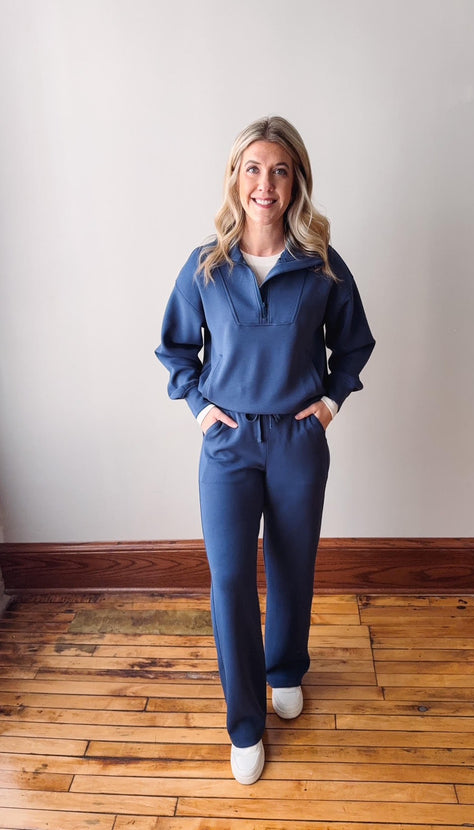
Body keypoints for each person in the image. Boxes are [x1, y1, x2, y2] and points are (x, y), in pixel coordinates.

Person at [156, 116, 375, 785]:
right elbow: (174, 348)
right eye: (253, 168)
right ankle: (244, 722)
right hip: (227, 445)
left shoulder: (321, 264)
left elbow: (354, 343)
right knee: (228, 582)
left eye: (279, 170)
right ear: (235, 179)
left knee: (291, 567)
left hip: (296, 442)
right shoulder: (205, 267)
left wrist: (329, 406)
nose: (265, 183)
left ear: (295, 181)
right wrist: (199, 410)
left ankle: (284, 670)